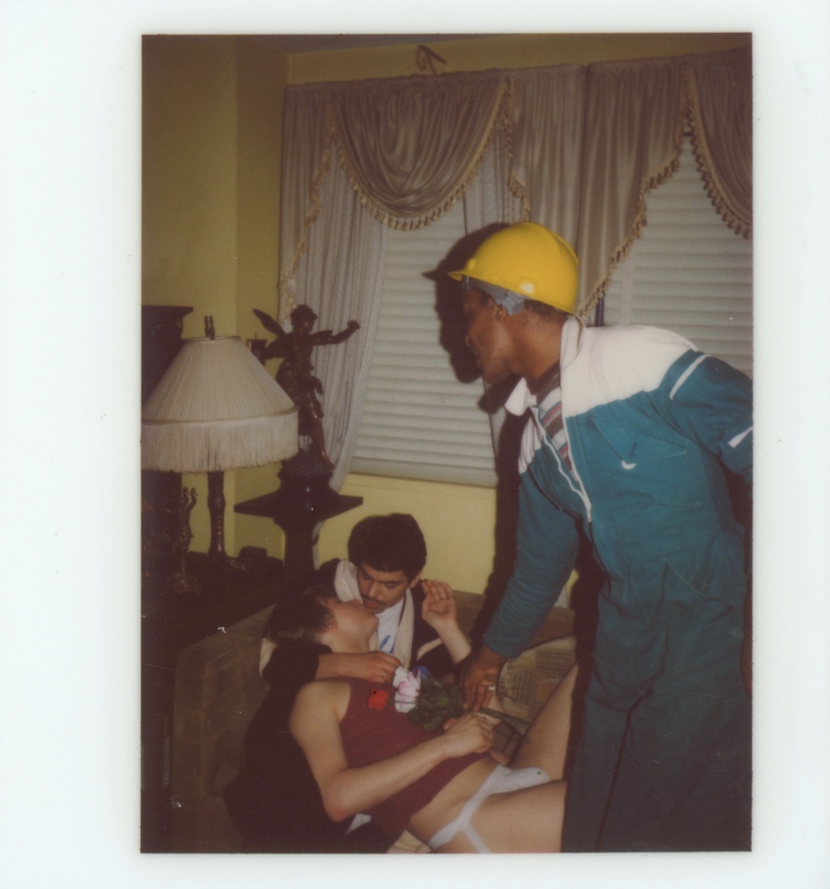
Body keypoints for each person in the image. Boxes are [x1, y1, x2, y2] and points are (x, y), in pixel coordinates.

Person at [450, 221, 753, 852]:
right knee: (597, 805)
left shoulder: (640, 359)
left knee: (670, 824)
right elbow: (537, 570)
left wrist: (768, 622)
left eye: (469, 310)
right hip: (623, 633)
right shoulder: (530, 439)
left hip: (707, 626)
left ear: (505, 305)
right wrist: (488, 655)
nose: (465, 333)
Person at [224, 514, 463, 851]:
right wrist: (347, 664)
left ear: (414, 579)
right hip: (313, 740)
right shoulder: (324, 591)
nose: (370, 593)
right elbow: (275, 658)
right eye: (365, 576)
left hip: (367, 736)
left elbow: (440, 687)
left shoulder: (423, 612)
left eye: (389, 584)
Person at [280, 585, 574, 853]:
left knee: (587, 668)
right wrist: (447, 745)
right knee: (611, 804)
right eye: (339, 601)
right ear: (326, 625)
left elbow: (491, 711)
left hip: (514, 781)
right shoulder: (318, 695)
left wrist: (447, 628)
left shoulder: (396, 676)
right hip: (475, 818)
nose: (355, 599)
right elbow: (338, 800)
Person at [252, 305, 360, 469]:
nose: (312, 324)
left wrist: (351, 329)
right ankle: (292, 452)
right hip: (288, 381)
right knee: (291, 417)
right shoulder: (286, 340)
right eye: (309, 320)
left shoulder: (309, 340)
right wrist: (272, 348)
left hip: (304, 381)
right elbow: (266, 354)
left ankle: (322, 454)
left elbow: (335, 339)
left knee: (314, 414)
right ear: (301, 321)